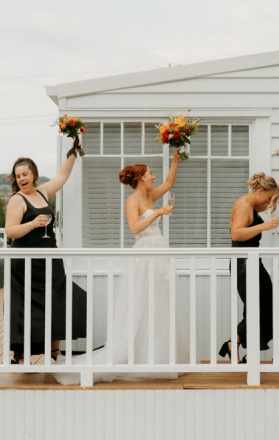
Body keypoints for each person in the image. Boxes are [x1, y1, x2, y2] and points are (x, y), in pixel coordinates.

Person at [55, 148, 187, 385]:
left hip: (158, 253)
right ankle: (137, 355)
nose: (154, 176)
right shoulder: (133, 200)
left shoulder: (150, 196)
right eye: (150, 173)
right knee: (143, 302)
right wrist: (157, 213)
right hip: (145, 252)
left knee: (160, 302)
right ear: (141, 178)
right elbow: (135, 229)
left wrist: (176, 158)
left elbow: (169, 182)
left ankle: (159, 356)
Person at [4, 142, 87, 364]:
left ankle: (54, 352)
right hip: (26, 262)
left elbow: (62, 175)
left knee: (57, 302)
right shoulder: (16, 200)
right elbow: (10, 230)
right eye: (18, 175)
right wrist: (32, 225)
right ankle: (21, 355)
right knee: (27, 308)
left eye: (25, 174)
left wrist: (73, 151)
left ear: (34, 175)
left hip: (50, 258)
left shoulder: (43, 192)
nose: (21, 178)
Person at [222, 171, 279, 363]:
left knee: (263, 305)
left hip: (251, 262)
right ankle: (243, 350)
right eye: (268, 198)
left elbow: (268, 201)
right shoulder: (243, 206)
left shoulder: (249, 204)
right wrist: (264, 227)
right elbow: (236, 234)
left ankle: (236, 344)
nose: (269, 203)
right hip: (243, 263)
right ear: (260, 191)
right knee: (257, 307)